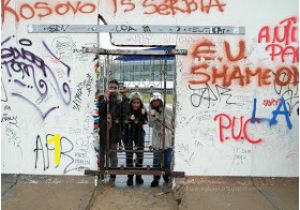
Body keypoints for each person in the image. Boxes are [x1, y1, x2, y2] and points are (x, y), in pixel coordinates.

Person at [149, 92, 174, 187]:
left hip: (168, 137)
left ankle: (167, 176)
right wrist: (153, 115)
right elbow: (150, 125)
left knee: (167, 160)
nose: (155, 102)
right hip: (157, 137)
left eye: (157, 100)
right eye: (154, 101)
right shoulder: (151, 111)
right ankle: (156, 178)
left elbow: (173, 121)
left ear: (161, 101)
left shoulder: (168, 109)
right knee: (156, 160)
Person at [98, 79, 122, 181]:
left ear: (118, 89)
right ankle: (102, 173)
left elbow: (118, 114)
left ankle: (113, 173)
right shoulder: (102, 98)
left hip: (114, 131)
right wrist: (105, 100)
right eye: (111, 87)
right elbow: (101, 113)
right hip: (103, 130)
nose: (112, 90)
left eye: (115, 88)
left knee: (113, 154)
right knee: (102, 153)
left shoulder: (119, 100)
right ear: (107, 88)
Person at [123, 92, 148, 186]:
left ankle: (138, 175)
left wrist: (143, 114)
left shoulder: (142, 109)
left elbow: (146, 120)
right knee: (129, 154)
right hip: (128, 133)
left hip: (139, 133)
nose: (136, 104)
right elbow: (123, 118)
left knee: (140, 154)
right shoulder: (127, 109)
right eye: (134, 102)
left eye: (138, 102)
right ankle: (130, 177)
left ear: (140, 103)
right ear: (131, 102)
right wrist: (129, 118)